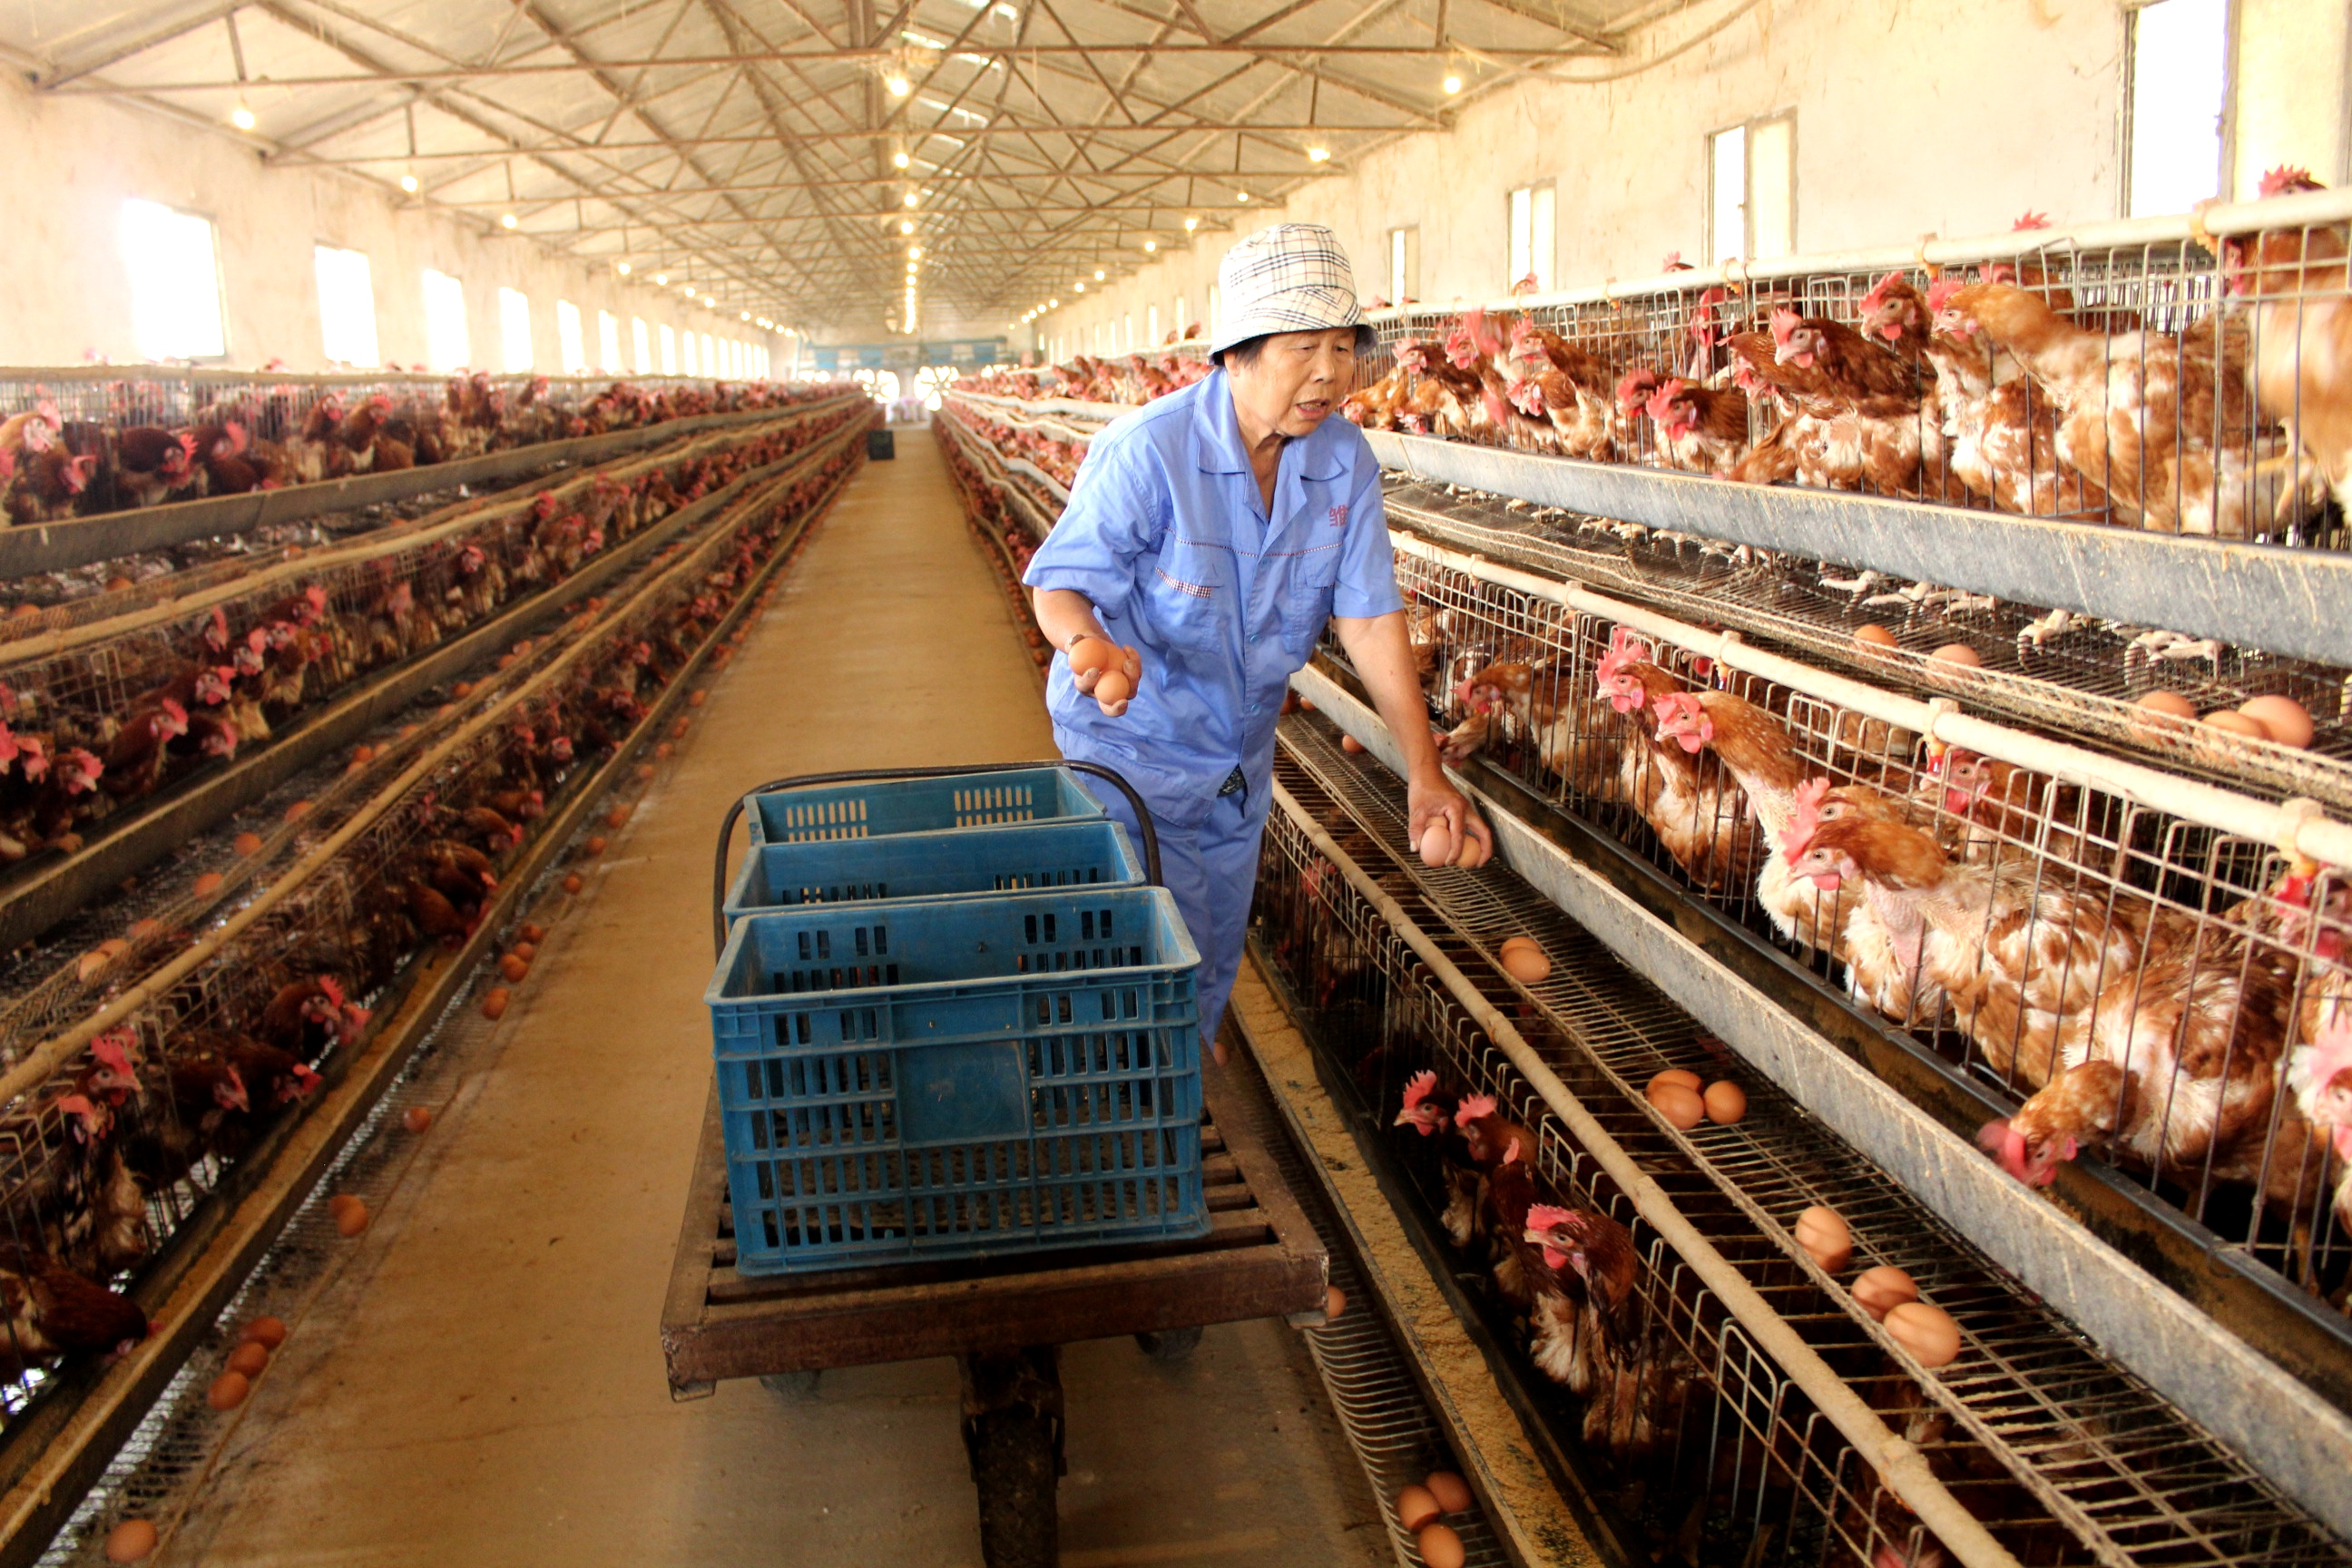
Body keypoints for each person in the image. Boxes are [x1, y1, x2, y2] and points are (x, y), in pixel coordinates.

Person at [1022, 222, 1492, 1056]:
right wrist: (1087, 647)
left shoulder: (1342, 459)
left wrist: (1425, 773)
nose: (1330, 373)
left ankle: (1176, 1084)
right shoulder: (1149, 450)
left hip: (1236, 767)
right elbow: (1060, 583)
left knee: (1208, 960)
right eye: (1303, 348)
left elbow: (1369, 617)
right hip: (1132, 758)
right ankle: (1143, 1096)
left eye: (1343, 348)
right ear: (1235, 357)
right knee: (1144, 973)